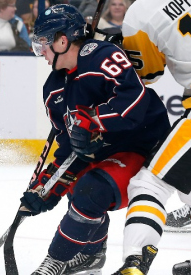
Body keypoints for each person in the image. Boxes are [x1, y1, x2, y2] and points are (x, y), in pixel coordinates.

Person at [18, 4, 170, 275]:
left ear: (62, 40)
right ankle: (90, 254)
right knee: (74, 185)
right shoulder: (53, 90)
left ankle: (56, 260)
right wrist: (46, 188)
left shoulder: (102, 56)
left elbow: (133, 103)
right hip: (107, 151)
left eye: (43, 42)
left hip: (145, 145)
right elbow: (69, 148)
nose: (40, 51)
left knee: (91, 189)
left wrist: (94, 121)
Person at [112, 0, 191, 273]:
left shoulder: (139, 13)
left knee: (151, 185)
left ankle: (133, 263)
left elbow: (148, 72)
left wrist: (118, 47)